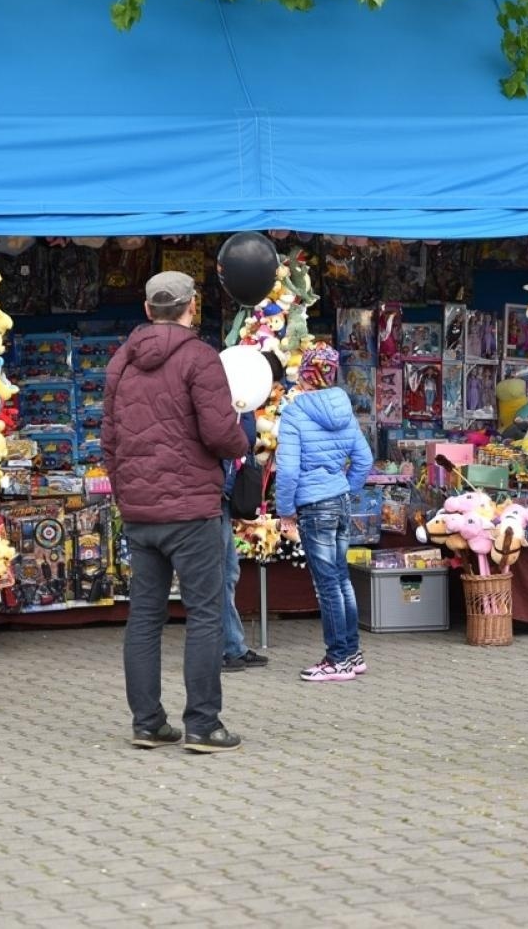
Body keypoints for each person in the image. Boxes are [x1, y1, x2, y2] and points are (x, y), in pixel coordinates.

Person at [103, 271, 248, 753]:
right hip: (192, 510)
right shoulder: (199, 358)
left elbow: (109, 441)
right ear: (192, 307)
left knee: (144, 616)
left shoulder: (121, 362)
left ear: (147, 310)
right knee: (204, 614)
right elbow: (220, 434)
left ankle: (147, 722)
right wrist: (244, 440)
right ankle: (203, 725)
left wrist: (128, 493)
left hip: (141, 512)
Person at [273, 346, 374, 682]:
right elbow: (364, 460)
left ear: (305, 373)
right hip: (340, 500)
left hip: (315, 507)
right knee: (341, 579)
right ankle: (352, 652)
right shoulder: (344, 408)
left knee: (327, 584)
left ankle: (338, 658)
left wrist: (286, 510)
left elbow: (287, 470)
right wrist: (344, 487)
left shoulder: (294, 412)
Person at [221, 409, 268, 671]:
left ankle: (233, 644)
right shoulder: (219, 393)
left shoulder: (240, 398)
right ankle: (227, 649)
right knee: (220, 574)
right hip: (213, 494)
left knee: (228, 572)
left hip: (224, 494)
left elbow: (245, 438)